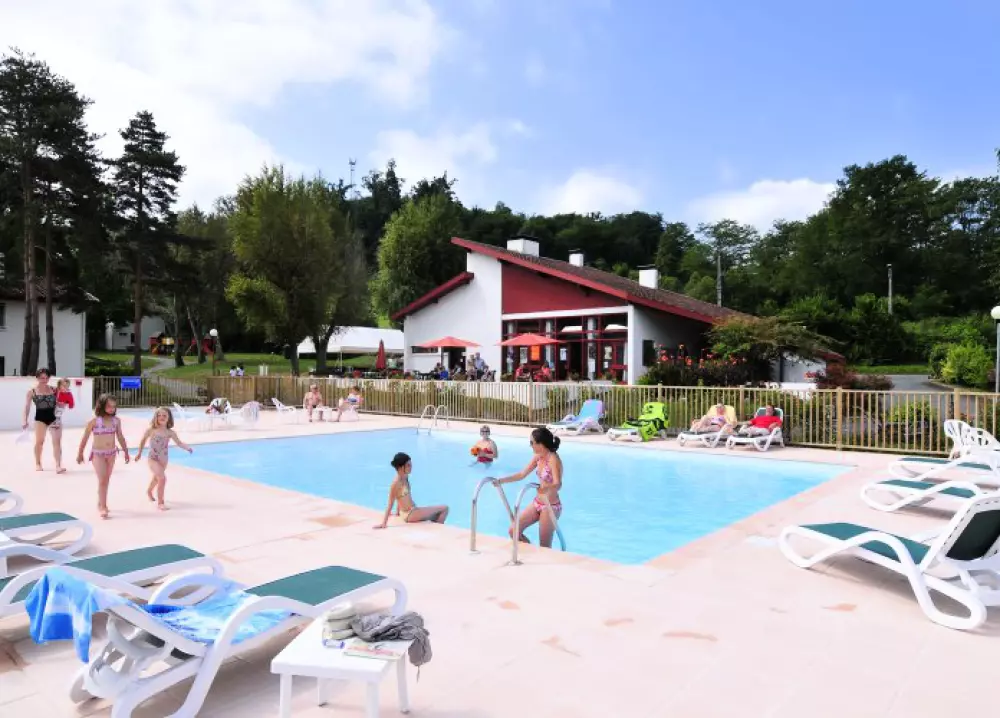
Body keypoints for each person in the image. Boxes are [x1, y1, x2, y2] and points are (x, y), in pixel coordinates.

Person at [495, 427, 563, 548]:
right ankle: (531, 551)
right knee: (513, 531)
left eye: (532, 442)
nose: (530, 445)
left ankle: (541, 558)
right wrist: (501, 481)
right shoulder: (538, 457)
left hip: (550, 506)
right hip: (537, 502)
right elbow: (522, 474)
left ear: (540, 444)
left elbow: (558, 484)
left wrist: (547, 487)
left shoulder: (553, 459)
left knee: (544, 546)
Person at [76, 394, 130, 519]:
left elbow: (120, 437)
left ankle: (100, 501)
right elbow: (85, 438)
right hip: (98, 454)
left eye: (114, 406)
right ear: (101, 406)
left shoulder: (116, 421)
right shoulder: (94, 421)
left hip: (111, 454)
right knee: (102, 480)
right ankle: (103, 507)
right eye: (109, 406)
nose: (111, 409)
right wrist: (80, 453)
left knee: (106, 480)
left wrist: (126, 451)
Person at [134, 407, 193, 511]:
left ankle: (149, 491)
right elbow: (143, 440)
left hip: (163, 460)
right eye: (159, 415)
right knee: (162, 478)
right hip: (152, 459)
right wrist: (139, 453)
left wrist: (187, 448)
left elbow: (179, 443)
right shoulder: (151, 430)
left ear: (169, 418)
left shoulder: (170, 433)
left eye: (164, 415)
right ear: (155, 417)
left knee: (156, 478)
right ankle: (160, 503)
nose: (161, 417)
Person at [373, 452, 449, 528]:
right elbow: (390, 503)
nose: (411, 467)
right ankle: (438, 530)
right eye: (408, 465)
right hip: (410, 514)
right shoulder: (395, 483)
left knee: (436, 516)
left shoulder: (405, 476)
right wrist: (384, 523)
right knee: (445, 508)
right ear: (400, 467)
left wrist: (397, 512)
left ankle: (435, 529)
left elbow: (399, 496)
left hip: (411, 511)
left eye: (411, 465)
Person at [22, 368, 60, 473]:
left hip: (53, 419)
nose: (44, 380)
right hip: (40, 419)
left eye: (46, 378)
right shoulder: (32, 392)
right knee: (40, 442)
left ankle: (58, 465)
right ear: (37, 378)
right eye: (42, 378)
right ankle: (38, 463)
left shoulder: (54, 390)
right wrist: (24, 420)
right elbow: (27, 407)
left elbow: (60, 404)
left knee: (56, 441)